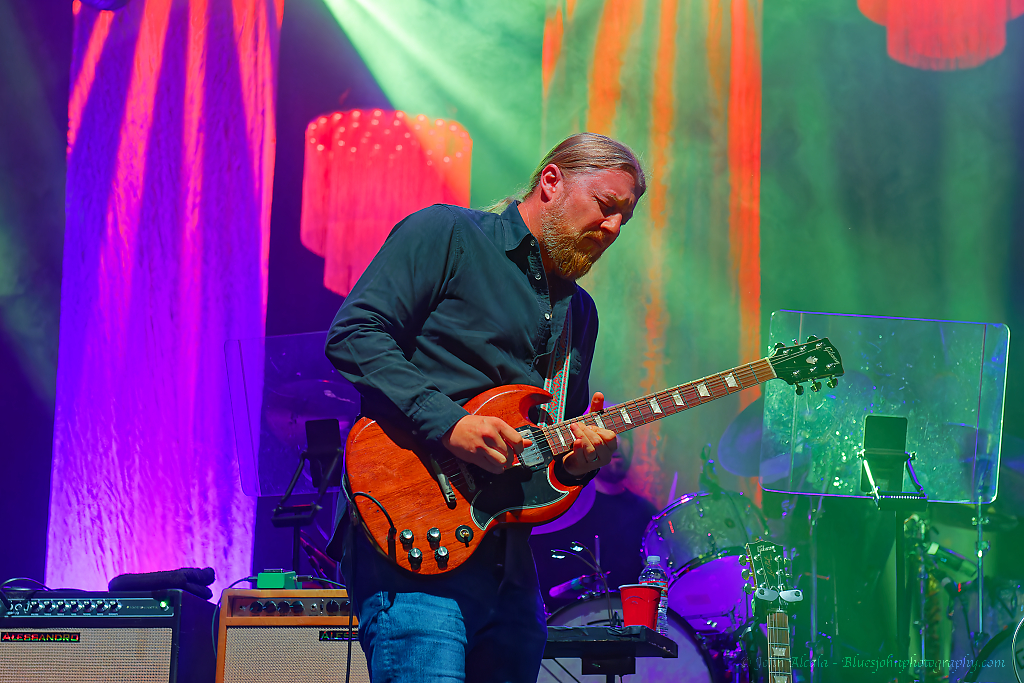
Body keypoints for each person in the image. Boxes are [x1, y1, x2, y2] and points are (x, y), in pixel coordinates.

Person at [325, 132, 646, 683]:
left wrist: (577, 464)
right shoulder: (447, 234)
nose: (614, 229)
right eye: (606, 206)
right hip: (415, 549)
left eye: (625, 219)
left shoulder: (580, 313)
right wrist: (450, 424)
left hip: (511, 574)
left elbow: (543, 452)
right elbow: (354, 333)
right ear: (552, 181)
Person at [531, 430, 659, 614]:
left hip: (631, 621)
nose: (619, 444)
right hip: (566, 622)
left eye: (627, 436)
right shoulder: (565, 506)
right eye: (613, 434)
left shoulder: (647, 512)